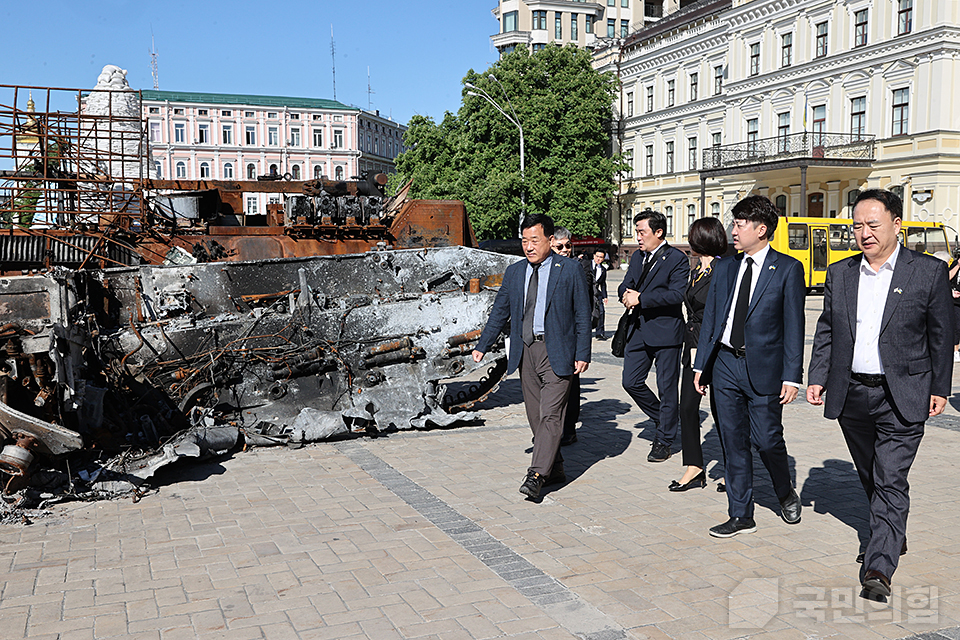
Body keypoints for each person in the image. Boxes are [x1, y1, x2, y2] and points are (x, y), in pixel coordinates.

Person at [807, 189, 952, 600]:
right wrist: (817, 375)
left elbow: (941, 337)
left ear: (896, 225)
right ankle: (892, 530)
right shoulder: (841, 273)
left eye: (873, 224)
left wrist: (940, 387)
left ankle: (879, 566)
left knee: (890, 476)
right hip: (852, 392)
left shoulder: (927, 272)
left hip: (903, 394)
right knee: (870, 473)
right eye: (857, 225)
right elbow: (828, 330)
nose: (864, 233)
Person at [694, 195, 804, 538]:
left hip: (765, 368)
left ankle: (784, 491)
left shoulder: (787, 268)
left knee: (767, 439)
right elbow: (712, 319)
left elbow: (794, 327)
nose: (734, 230)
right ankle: (741, 514)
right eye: (735, 223)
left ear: (762, 229)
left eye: (740, 225)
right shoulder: (726, 267)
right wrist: (701, 365)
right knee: (732, 440)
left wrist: (792, 376)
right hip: (725, 364)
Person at [473, 214, 592, 500]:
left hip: (557, 350)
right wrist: (483, 344)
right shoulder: (515, 272)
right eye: (524, 241)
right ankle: (557, 468)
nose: (528, 246)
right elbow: (500, 312)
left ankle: (536, 474)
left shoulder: (569, 269)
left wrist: (583, 352)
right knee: (535, 417)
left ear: (550, 240)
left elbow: (582, 314)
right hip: (526, 351)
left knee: (551, 415)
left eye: (534, 240)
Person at [619, 210, 689, 463]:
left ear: (658, 232)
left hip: (666, 332)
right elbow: (625, 283)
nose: (637, 237)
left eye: (641, 232)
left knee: (667, 388)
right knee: (630, 381)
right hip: (638, 329)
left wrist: (642, 298)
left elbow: (676, 295)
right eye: (636, 231)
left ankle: (664, 439)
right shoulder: (637, 256)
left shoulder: (677, 259)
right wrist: (625, 294)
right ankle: (664, 416)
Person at [671, 217, 727, 492]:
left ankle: (734, 467)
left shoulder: (724, 269)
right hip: (691, 345)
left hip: (716, 347)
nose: (689, 242)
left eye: (693, 237)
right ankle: (694, 467)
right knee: (687, 407)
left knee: (724, 411)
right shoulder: (694, 270)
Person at [552, 227, 590, 446]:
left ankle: (569, 428)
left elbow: (583, 306)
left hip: (571, 335)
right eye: (560, 246)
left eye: (568, 245)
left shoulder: (578, 267)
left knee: (571, 385)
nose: (565, 250)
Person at [592, 249, 609, 340]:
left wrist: (605, 296)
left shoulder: (603, 270)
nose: (598, 259)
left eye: (601, 257)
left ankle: (600, 333)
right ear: (594, 255)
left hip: (596, 294)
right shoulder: (587, 265)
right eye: (597, 256)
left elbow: (603, 284)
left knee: (601, 312)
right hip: (587, 293)